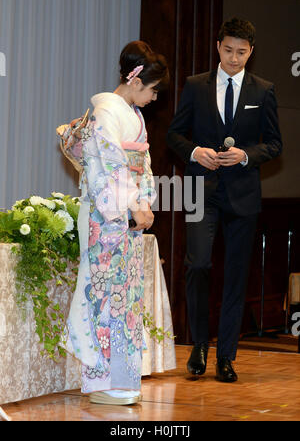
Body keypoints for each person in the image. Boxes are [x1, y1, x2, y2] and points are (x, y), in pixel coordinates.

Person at [166, 17, 282, 382]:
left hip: (244, 194)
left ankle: (226, 356)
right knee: (197, 264)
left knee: (235, 275)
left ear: (251, 52)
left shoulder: (263, 90)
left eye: (242, 52)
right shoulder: (195, 86)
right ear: (218, 47)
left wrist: (246, 155)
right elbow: (173, 134)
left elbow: (275, 144)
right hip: (200, 189)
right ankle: (200, 342)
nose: (234, 58)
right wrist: (195, 151)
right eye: (229, 50)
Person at [60, 41, 169, 404]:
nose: (154, 98)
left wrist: (145, 202)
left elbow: (142, 163)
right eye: (153, 91)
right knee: (104, 293)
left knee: (124, 296)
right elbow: (106, 166)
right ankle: (102, 381)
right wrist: (133, 204)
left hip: (124, 216)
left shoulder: (131, 114)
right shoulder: (108, 110)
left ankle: (121, 377)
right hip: (105, 217)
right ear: (136, 83)